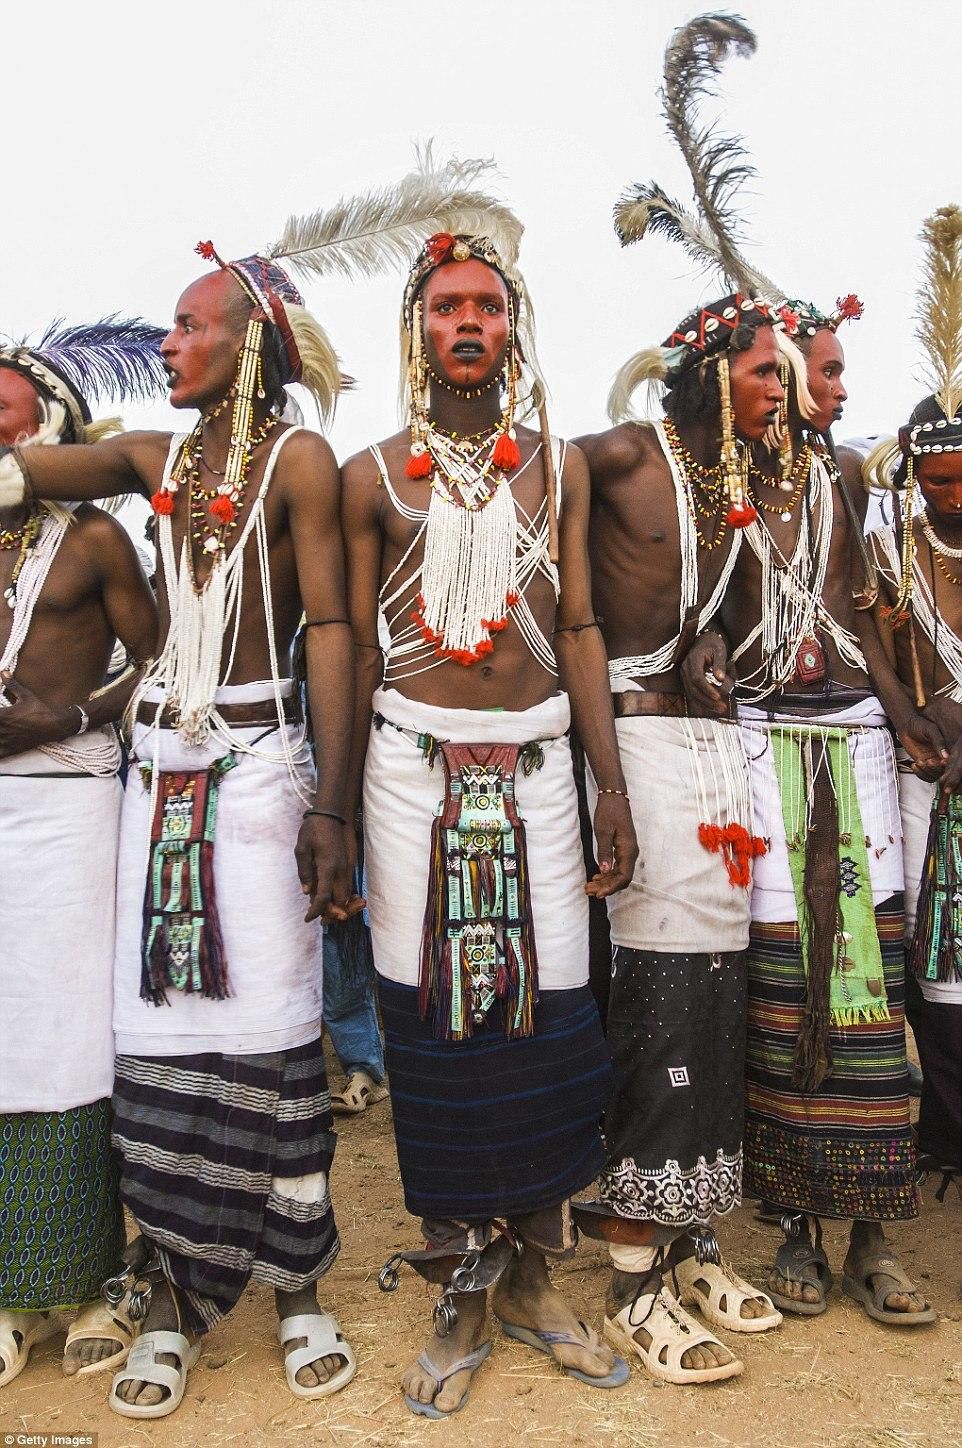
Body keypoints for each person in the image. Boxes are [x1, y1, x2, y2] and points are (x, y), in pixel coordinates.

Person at [0, 241, 360, 1417]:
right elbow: (27, 466)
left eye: (188, 324)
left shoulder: (298, 460)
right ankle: (171, 1285)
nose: (166, 344)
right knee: (156, 1029)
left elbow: (327, 631)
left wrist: (331, 801)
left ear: (248, 340)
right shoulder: (151, 458)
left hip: (254, 771)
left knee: (267, 1026)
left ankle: (294, 1279)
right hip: (154, 780)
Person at [343, 225, 637, 1418]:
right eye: (446, 306)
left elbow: (574, 629)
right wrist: (329, 806)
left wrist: (607, 782)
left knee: (551, 1005)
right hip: (410, 776)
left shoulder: (553, 468)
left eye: (487, 306)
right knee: (432, 1018)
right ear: (417, 328)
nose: (468, 322)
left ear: (512, 327)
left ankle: (526, 1268)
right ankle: (462, 1274)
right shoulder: (369, 474)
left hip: (536, 778)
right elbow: (357, 644)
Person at [575, 282, 784, 1385]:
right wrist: (595, 749)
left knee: (715, 984)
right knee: (656, 986)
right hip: (638, 752)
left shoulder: (730, 480)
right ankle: (627, 1272)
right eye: (763, 370)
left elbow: (712, 613)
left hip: (712, 752)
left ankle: (692, 1233)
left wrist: (705, 647)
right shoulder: (616, 455)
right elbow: (555, 580)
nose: (780, 389)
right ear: (707, 369)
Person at [0, 321, 161, 1387]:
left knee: (65, 1031)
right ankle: (12, 1291)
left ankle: (89, 1272)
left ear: (46, 425)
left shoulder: (96, 537)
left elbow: (162, 657)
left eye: (1, 404)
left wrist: (64, 718)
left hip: (66, 804)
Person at [866, 203, 962, 1190]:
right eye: (933, 478)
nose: (950, 495)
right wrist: (911, 710)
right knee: (932, 981)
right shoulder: (890, 554)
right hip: (926, 789)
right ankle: (939, 1128)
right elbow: (870, 648)